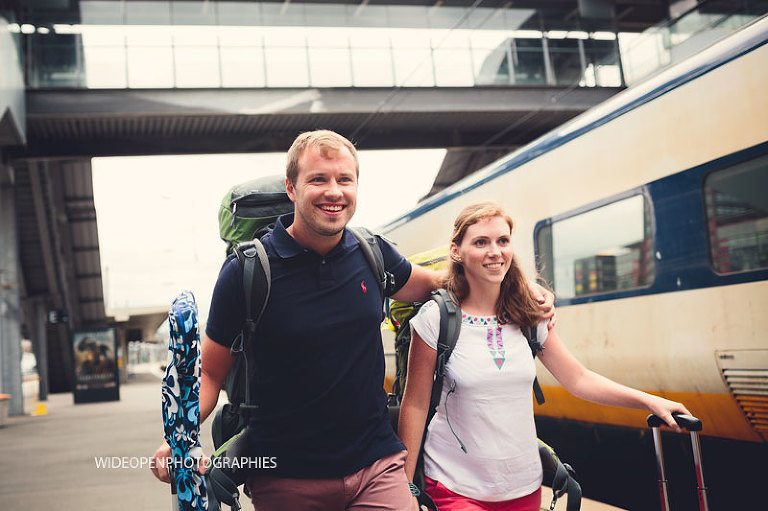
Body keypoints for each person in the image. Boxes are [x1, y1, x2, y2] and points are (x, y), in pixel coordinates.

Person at [150, 131, 554, 510]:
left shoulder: (371, 253)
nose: (334, 191)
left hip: (377, 466)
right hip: (287, 477)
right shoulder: (247, 271)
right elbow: (210, 374)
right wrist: (179, 436)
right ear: (291, 188)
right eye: (318, 179)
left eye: (345, 179)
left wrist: (523, 289)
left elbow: (442, 283)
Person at [397, 201, 691, 511]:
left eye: (503, 241)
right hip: (455, 486)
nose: (495, 252)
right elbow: (415, 404)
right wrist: (405, 487)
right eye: (481, 242)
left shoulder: (529, 317)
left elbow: (578, 379)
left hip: (523, 487)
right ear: (456, 251)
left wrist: (649, 401)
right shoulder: (435, 319)